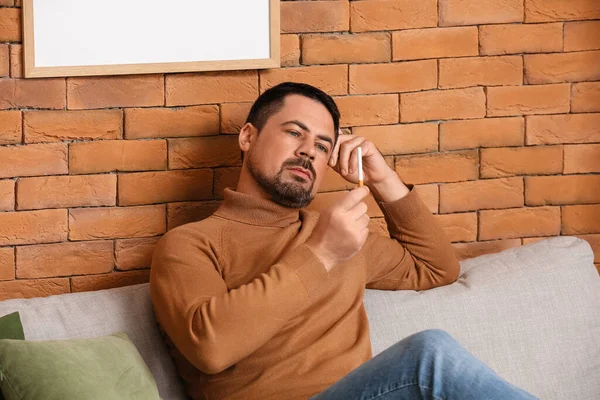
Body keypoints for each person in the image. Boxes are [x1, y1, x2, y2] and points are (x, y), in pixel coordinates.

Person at [149, 82, 537, 400]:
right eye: (294, 133)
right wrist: (321, 254)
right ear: (248, 136)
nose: (307, 152)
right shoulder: (189, 244)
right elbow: (210, 348)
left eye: (322, 145)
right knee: (428, 357)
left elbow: (436, 267)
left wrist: (383, 179)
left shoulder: (340, 234)